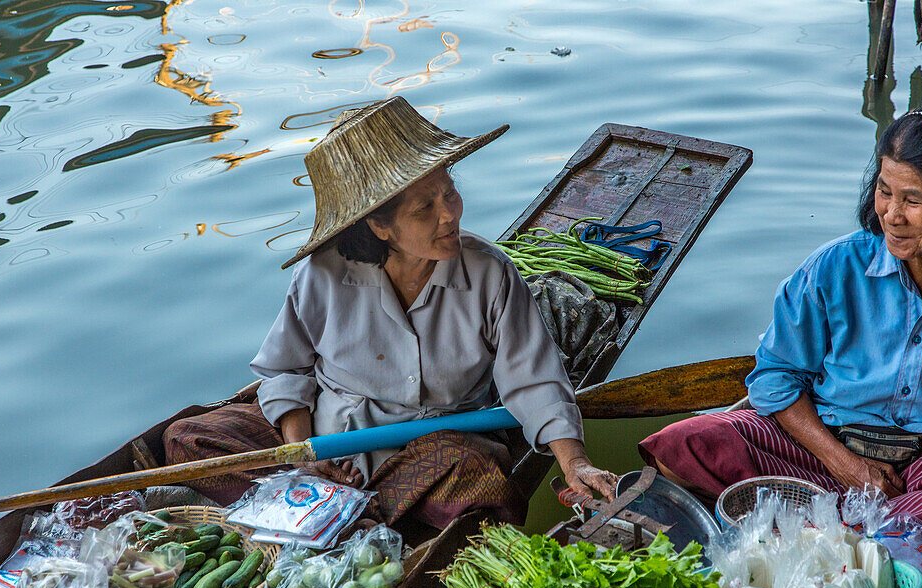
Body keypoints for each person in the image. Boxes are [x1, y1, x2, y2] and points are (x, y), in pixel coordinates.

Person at [163, 97, 617, 538]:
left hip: (434, 451)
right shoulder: (321, 275)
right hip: (331, 446)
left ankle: (329, 514)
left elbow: (535, 382)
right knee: (190, 439)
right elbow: (286, 370)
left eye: (450, 193)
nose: (450, 214)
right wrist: (303, 458)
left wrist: (576, 464)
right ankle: (337, 507)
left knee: (479, 479)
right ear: (378, 226)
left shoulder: (490, 273)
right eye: (424, 208)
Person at [640, 105, 922, 563]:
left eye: (913, 200)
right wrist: (842, 463)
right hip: (824, 448)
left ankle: (827, 531)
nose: (891, 215)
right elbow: (775, 377)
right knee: (682, 446)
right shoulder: (835, 267)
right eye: (885, 192)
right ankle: (869, 537)